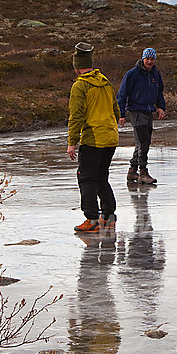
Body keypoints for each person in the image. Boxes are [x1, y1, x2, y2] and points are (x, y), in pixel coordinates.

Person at [67, 42, 120, 233]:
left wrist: (72, 141)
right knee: (101, 177)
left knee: (86, 178)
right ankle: (109, 216)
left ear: (76, 66)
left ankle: (91, 219)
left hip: (94, 138)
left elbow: (76, 115)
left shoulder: (80, 86)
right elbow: (116, 109)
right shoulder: (105, 82)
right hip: (111, 138)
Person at [117, 47, 166, 184]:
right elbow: (122, 95)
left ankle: (132, 171)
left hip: (148, 111)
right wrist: (121, 114)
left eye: (152, 59)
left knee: (143, 142)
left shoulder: (155, 75)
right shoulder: (132, 74)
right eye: (147, 59)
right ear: (142, 58)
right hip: (135, 111)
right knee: (143, 141)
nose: (149, 62)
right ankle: (143, 172)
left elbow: (159, 92)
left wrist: (160, 107)